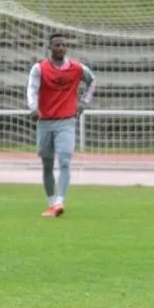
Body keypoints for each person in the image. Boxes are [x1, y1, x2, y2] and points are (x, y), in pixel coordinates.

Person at [27, 34, 97, 217]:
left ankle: (60, 202)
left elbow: (92, 81)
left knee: (65, 161)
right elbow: (32, 89)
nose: (60, 48)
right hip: (44, 122)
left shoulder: (77, 68)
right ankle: (51, 203)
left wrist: (83, 103)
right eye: (57, 45)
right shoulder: (39, 68)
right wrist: (33, 108)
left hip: (66, 121)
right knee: (47, 164)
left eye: (63, 45)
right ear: (49, 47)